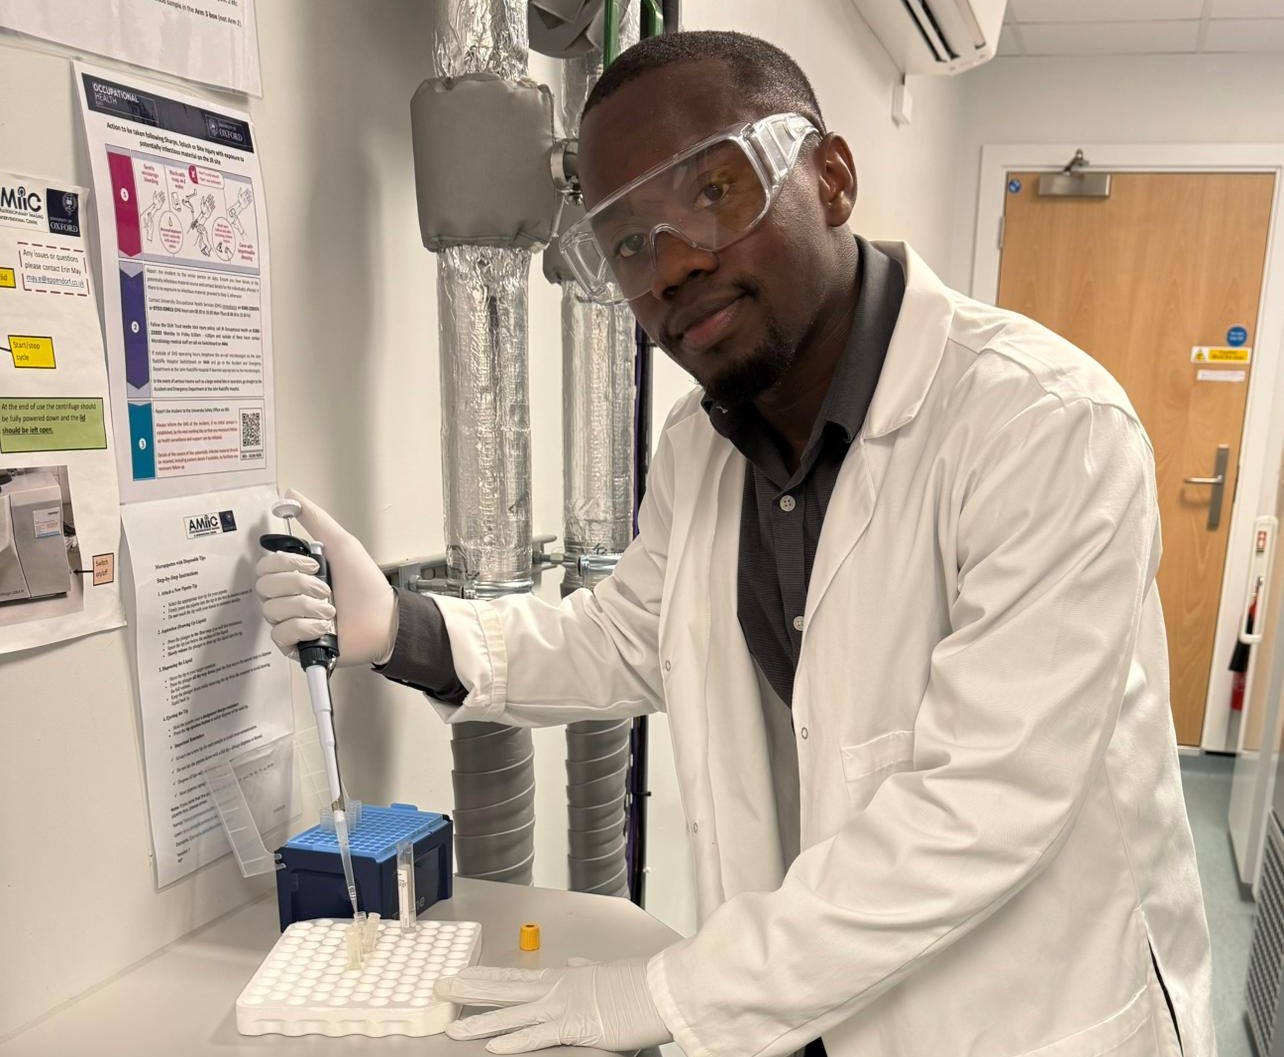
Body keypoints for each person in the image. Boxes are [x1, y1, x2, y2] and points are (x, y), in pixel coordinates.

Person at [256, 29, 1214, 1057]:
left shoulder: (1043, 425)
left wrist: (670, 996)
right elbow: (630, 638)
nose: (671, 263)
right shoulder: (702, 449)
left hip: (1028, 1018)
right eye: (624, 242)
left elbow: (980, 806)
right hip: (810, 1008)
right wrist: (403, 625)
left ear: (831, 177)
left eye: (712, 190)